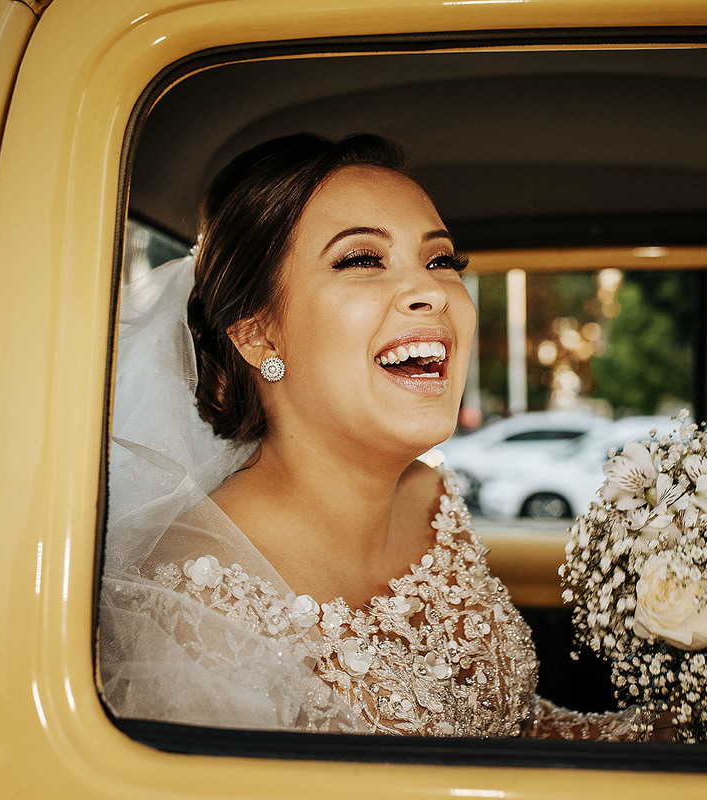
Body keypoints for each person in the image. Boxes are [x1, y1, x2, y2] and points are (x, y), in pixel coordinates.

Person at [98, 133, 654, 738]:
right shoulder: (189, 602)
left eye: (442, 261)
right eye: (362, 260)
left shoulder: (432, 499)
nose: (431, 292)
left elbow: (501, 732)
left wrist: (655, 738)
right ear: (258, 335)